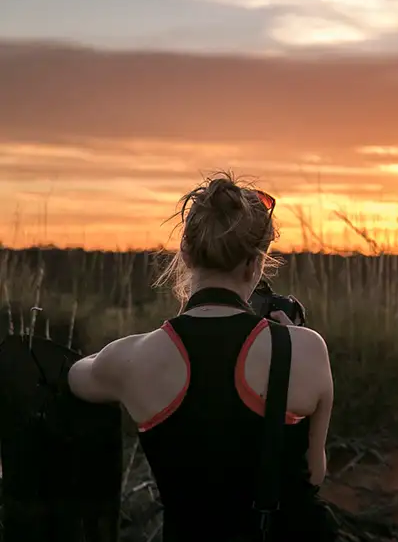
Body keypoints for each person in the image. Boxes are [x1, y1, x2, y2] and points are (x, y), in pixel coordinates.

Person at [67, 171, 338, 541]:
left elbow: (74, 375)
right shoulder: (303, 348)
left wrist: (130, 349)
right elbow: (314, 473)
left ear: (185, 254)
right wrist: (281, 336)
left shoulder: (131, 358)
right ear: (255, 264)